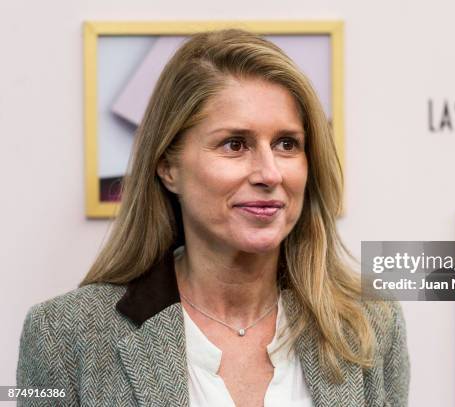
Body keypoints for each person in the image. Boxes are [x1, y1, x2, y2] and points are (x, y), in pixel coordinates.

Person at [16, 29, 409, 406]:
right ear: (168, 167)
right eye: (235, 145)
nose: (269, 173)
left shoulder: (371, 324)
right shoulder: (64, 335)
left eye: (287, 144)